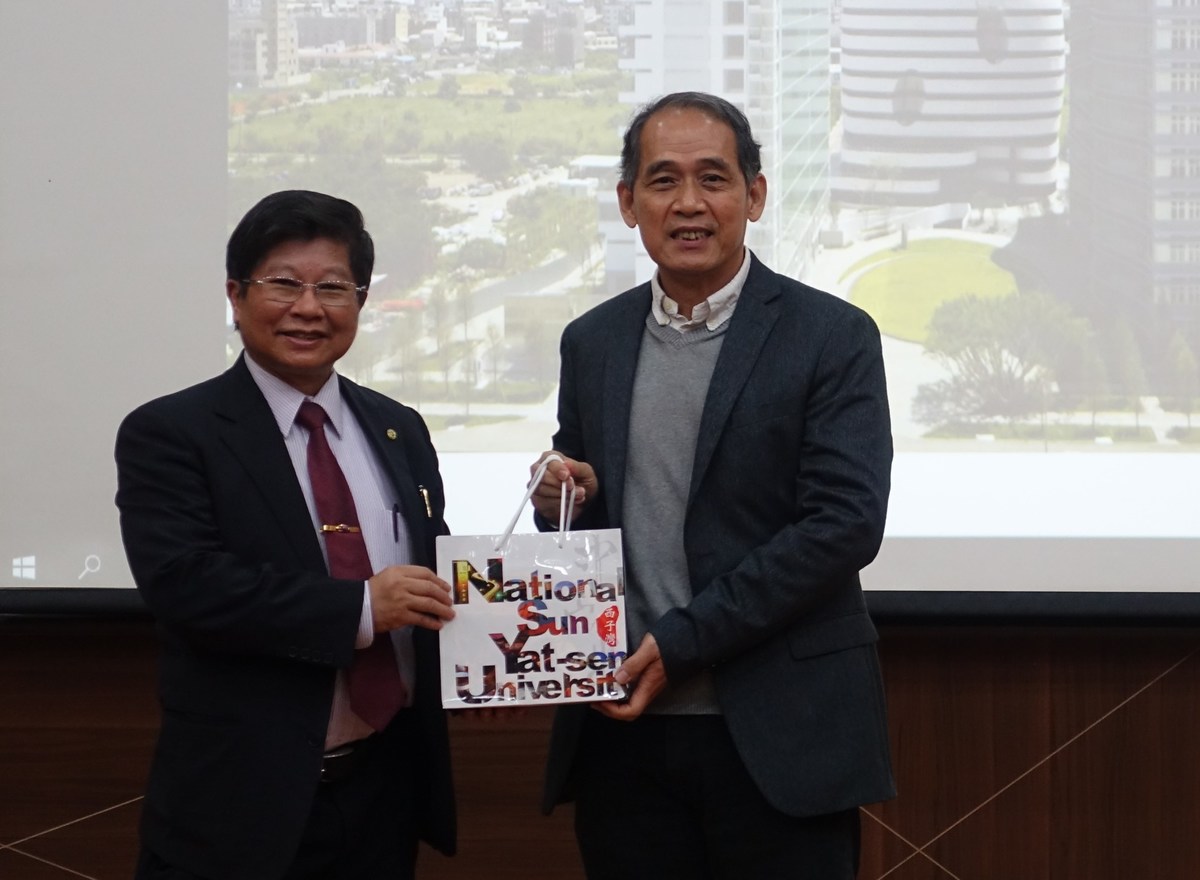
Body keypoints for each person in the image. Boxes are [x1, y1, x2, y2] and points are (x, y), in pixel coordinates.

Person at [529, 92, 895, 879]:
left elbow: (845, 523)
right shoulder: (591, 342)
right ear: (629, 203)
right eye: (662, 181)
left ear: (754, 195)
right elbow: (590, 527)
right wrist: (559, 496)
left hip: (778, 734)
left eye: (713, 179)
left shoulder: (832, 337)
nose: (688, 203)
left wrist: (686, 638)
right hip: (623, 729)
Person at [116, 190, 456, 880]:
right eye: (283, 285)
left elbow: (434, 566)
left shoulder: (399, 427)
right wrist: (363, 609)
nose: (309, 308)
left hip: (382, 792)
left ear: (360, 301)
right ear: (236, 295)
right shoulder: (172, 433)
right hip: (241, 805)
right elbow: (187, 586)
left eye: (333, 287)